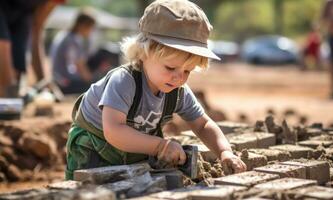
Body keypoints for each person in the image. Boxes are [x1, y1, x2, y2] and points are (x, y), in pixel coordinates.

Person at [65, 0, 247, 180]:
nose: (179, 78)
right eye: (170, 68)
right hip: (94, 145)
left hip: (130, 146)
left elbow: (203, 124)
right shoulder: (123, 81)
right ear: (143, 53)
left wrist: (225, 152)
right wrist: (161, 146)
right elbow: (113, 131)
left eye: (187, 71)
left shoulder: (178, 90)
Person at [0, 0, 64, 97]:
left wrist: (43, 83)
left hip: (22, 11)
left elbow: (36, 30)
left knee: (18, 64)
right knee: (3, 45)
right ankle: (8, 101)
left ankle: (11, 100)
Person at [50, 8, 96, 94]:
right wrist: (93, 82)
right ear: (82, 25)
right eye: (90, 28)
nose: (91, 31)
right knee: (94, 88)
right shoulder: (72, 40)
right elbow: (80, 66)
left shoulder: (66, 35)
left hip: (57, 78)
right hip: (63, 82)